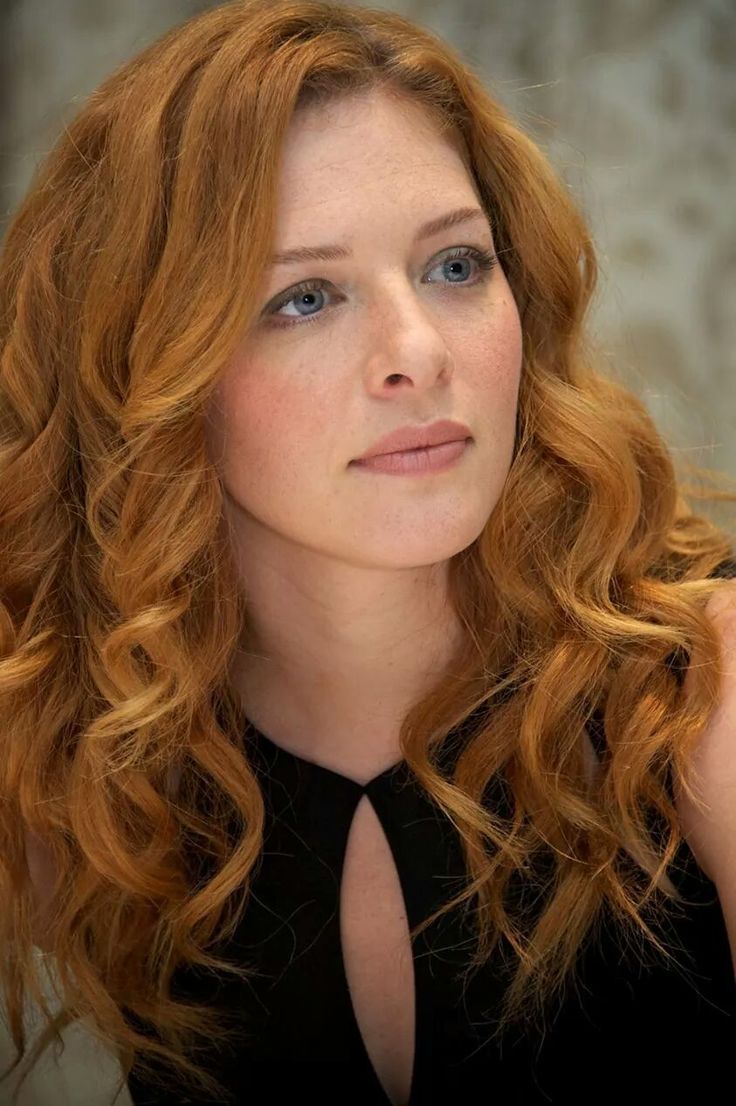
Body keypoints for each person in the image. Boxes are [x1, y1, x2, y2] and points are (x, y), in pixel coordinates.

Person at [1, 1, 735, 1104]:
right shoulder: (76, 758)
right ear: (144, 369)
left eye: (455, 266)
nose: (418, 352)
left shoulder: (705, 693)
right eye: (305, 297)